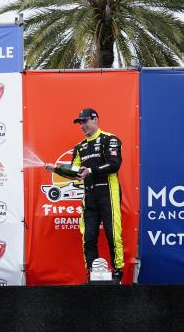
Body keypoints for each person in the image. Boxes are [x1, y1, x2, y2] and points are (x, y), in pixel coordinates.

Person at [46, 108, 125, 283]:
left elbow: (114, 164)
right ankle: (92, 274)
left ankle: (118, 272)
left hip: (108, 193)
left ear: (95, 119)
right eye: (80, 123)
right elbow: (75, 172)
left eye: (85, 121)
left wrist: (90, 170)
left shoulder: (109, 139)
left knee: (113, 234)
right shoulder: (80, 147)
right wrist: (57, 169)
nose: (82, 126)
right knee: (88, 236)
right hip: (89, 196)